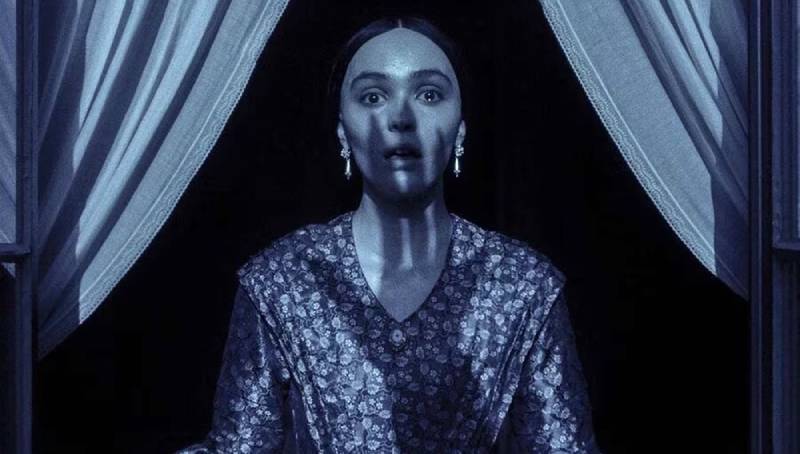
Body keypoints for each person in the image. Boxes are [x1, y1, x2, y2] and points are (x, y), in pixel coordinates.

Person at [179, 16, 600, 453]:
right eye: (373, 96)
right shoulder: (282, 280)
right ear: (342, 129)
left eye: (429, 94)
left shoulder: (523, 285)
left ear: (461, 127)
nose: (400, 118)